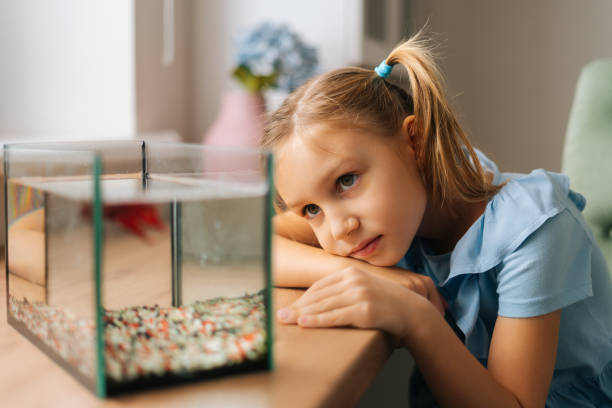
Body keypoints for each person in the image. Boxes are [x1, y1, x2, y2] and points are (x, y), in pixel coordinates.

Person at [262, 29, 612, 408]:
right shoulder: (392, 214)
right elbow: (254, 246)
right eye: (311, 210)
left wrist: (415, 317)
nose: (337, 230)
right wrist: (377, 277)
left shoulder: (535, 229)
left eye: (346, 181)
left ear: (415, 141)